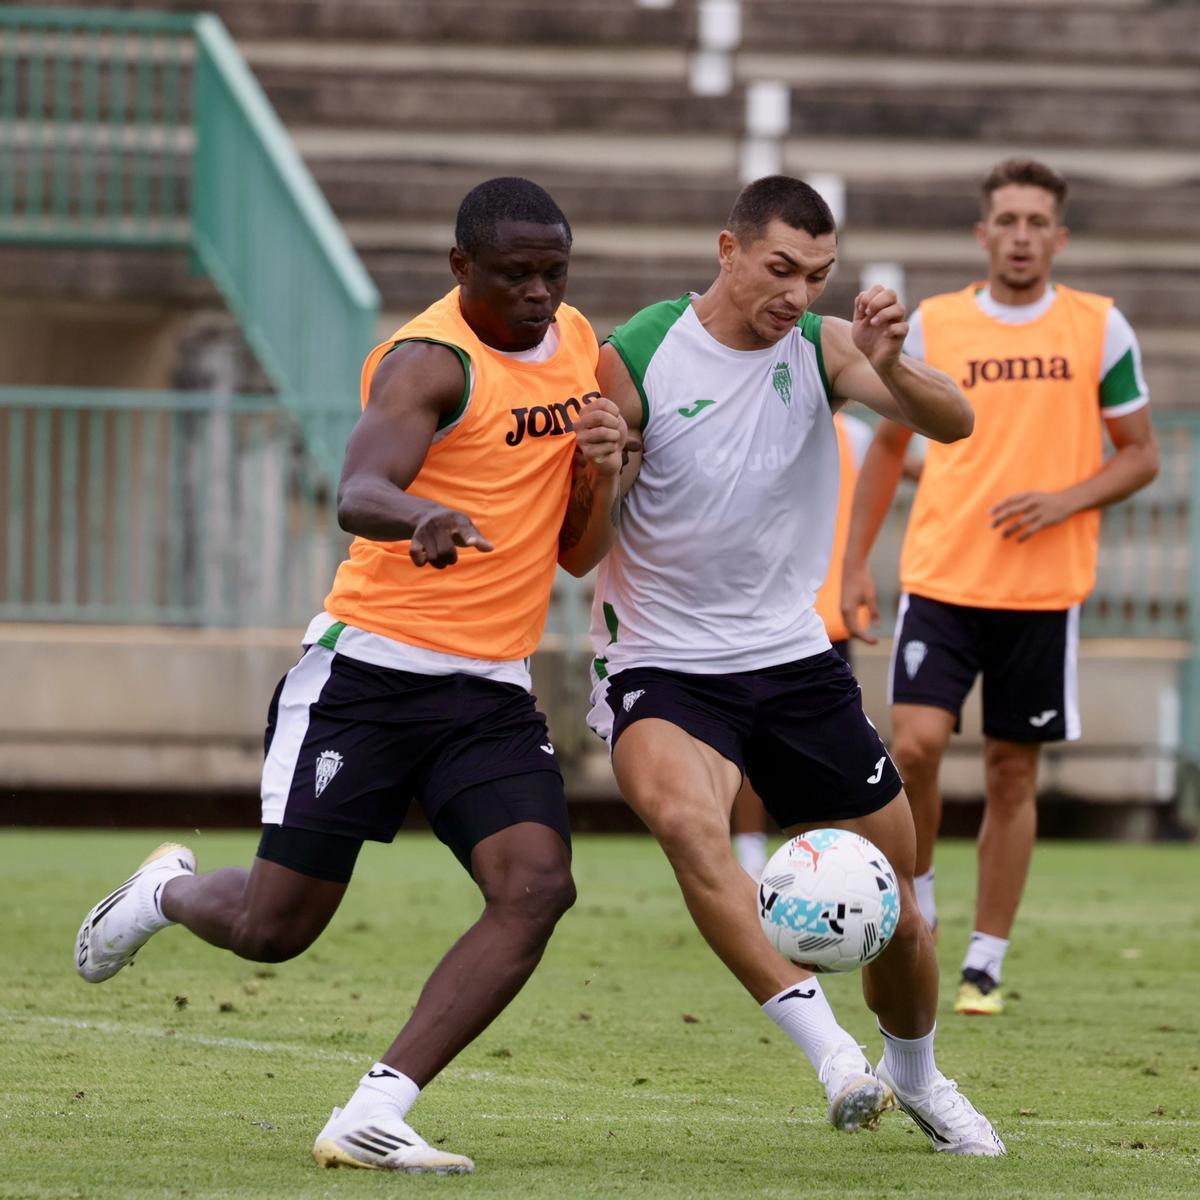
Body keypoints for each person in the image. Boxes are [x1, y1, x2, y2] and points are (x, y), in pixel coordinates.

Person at [74, 177, 627, 1175]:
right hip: (368, 678)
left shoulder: (577, 342)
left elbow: (580, 554)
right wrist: (421, 515)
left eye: (555, 271)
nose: (541, 293)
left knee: (538, 886)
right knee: (272, 929)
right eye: (517, 274)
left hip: (489, 690)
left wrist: (605, 470)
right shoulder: (430, 362)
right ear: (461, 267)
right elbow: (358, 486)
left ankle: (378, 1108)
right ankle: (164, 894)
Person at [588, 175, 1004, 1155]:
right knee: (690, 827)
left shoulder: (825, 348)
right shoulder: (637, 353)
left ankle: (918, 1078)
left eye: (817, 275)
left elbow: (956, 423)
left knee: (899, 911)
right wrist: (602, 471)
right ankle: (833, 1058)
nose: (798, 293)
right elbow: (584, 540)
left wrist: (893, 365)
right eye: (781, 268)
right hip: (662, 664)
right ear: (727, 249)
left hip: (793, 663)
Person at [840, 158, 1158, 1017]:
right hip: (942, 578)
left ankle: (985, 960)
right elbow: (889, 448)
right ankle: (921, 900)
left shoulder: (1100, 328)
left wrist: (1065, 499)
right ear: (983, 234)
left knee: (1013, 773)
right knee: (914, 747)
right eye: (1007, 221)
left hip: (1043, 592)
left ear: (1060, 236)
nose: (1021, 236)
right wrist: (855, 563)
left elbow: (1140, 454)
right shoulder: (936, 325)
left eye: (1036, 222)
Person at [731, 409, 873, 880]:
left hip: (821, 618)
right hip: (768, 612)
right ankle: (751, 850)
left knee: (819, 747)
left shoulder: (856, 435)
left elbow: (894, 473)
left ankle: (814, 853)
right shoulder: (755, 420)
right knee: (753, 738)